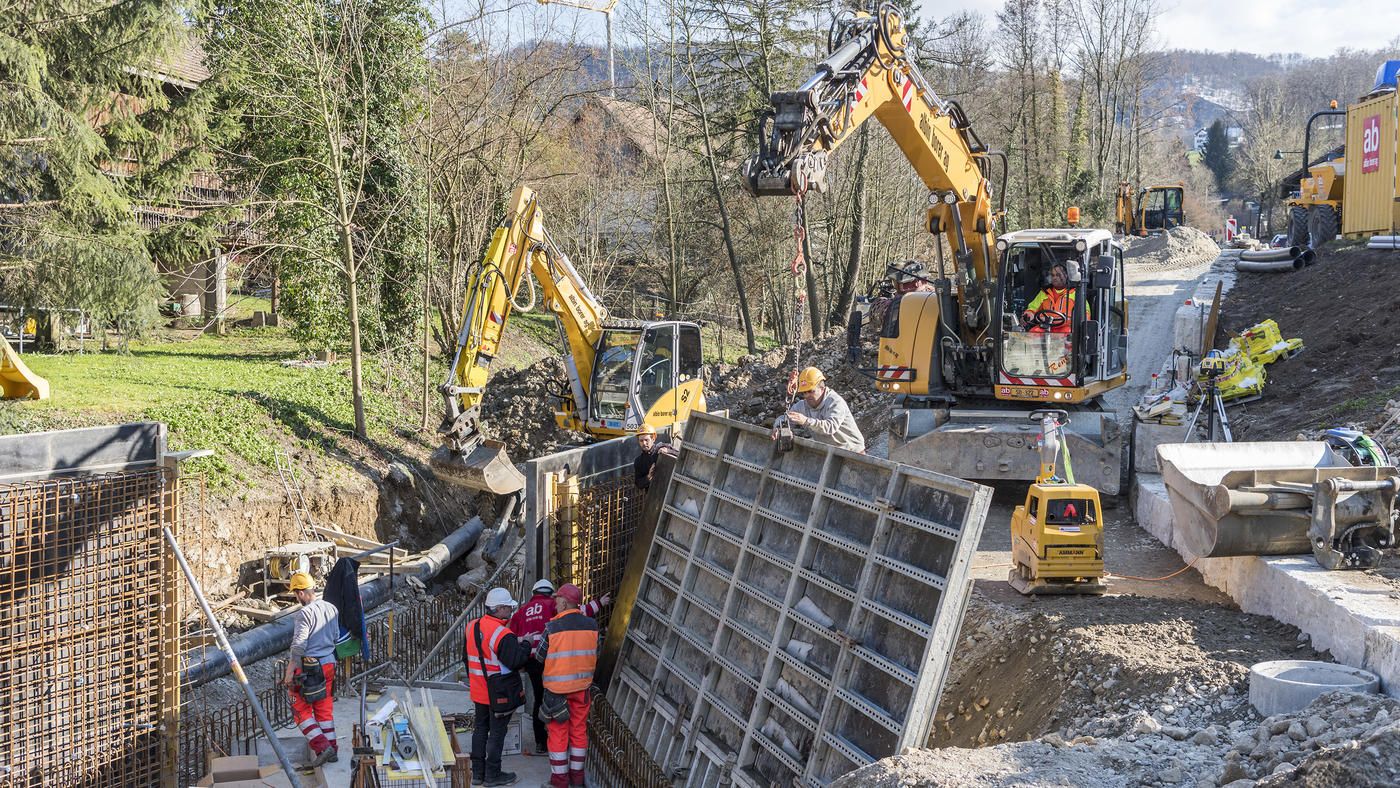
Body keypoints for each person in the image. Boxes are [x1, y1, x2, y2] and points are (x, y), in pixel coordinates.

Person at [509, 580, 611, 756]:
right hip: (554, 661)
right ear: (550, 594)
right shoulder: (551, 605)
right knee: (567, 712)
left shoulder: (521, 611)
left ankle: (541, 742)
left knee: (540, 701)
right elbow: (578, 614)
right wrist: (599, 603)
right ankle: (566, 748)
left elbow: (512, 637)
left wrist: (521, 664)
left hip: (532, 661)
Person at [464, 587, 531, 786]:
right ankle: (492, 775)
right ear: (500, 609)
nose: (510, 611)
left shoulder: (472, 626)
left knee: (480, 729)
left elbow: (467, 658)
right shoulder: (503, 634)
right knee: (497, 733)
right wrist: (526, 644)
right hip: (498, 694)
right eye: (508, 608)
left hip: (478, 690)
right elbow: (517, 661)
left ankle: (477, 773)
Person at [537, 584, 598, 788]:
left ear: (564, 602)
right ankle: (577, 778)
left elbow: (539, 656)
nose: (555, 603)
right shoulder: (592, 625)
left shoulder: (552, 627)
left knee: (558, 733)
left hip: (557, 692)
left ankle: (560, 781)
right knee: (579, 731)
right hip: (582, 689)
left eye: (556, 600)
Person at [282, 572, 341, 767]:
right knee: (324, 709)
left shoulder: (304, 614)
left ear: (300, 593)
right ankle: (332, 749)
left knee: (300, 709)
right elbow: (336, 637)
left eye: (295, 594)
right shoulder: (331, 608)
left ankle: (323, 748)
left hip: (310, 667)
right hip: (329, 663)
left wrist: (290, 672)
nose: (296, 598)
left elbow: (298, 646)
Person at [776, 367, 865, 454]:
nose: (807, 396)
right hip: (831, 453)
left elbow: (830, 427)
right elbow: (785, 418)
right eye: (804, 392)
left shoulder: (835, 402)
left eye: (811, 391)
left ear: (822, 388)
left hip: (854, 452)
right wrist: (778, 428)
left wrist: (806, 421)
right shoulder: (803, 405)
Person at [1021, 262, 1082, 334]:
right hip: (1046, 327)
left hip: (1066, 329)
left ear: (1066, 276)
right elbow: (1032, 308)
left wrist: (1067, 320)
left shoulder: (1075, 294)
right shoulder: (1044, 293)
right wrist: (1028, 315)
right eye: (1053, 275)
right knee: (1033, 332)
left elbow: (1084, 315)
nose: (1055, 278)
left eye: (1058, 275)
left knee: (1069, 335)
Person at [632, 424, 678, 491]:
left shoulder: (663, 447)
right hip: (653, 495)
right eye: (641, 441)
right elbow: (638, 484)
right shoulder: (639, 461)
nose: (644, 443)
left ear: (653, 439)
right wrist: (648, 477)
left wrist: (669, 451)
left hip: (670, 490)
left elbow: (681, 455)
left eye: (646, 440)